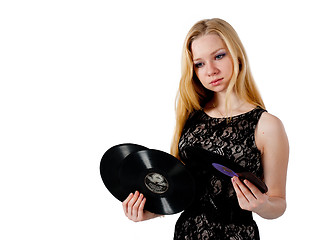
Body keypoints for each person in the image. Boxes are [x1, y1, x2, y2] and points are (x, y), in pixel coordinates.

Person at [122, 18, 289, 239]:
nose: (210, 70)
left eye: (219, 56)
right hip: (186, 233)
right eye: (199, 64)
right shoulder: (191, 117)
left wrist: (261, 205)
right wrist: (150, 211)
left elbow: (278, 203)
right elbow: (182, 191)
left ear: (237, 55)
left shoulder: (267, 125)